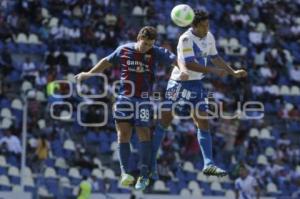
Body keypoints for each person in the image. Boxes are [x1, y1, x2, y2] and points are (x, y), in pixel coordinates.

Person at [75, 26, 182, 190]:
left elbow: (176, 61)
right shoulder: (124, 50)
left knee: (144, 134)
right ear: (139, 38)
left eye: (150, 44)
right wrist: (88, 73)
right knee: (123, 133)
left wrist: (186, 72)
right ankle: (125, 172)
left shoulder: (156, 52)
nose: (147, 47)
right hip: (124, 98)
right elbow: (106, 61)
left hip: (144, 100)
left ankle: (144, 173)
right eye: (145, 43)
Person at [150, 10, 248, 178]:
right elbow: (189, 64)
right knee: (165, 121)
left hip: (196, 85)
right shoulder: (186, 39)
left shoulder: (208, 36)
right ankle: (150, 159)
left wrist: (232, 72)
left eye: (207, 24)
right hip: (178, 84)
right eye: (203, 26)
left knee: (203, 122)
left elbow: (215, 57)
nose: (206, 28)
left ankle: (208, 164)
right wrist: (213, 71)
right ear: (193, 25)